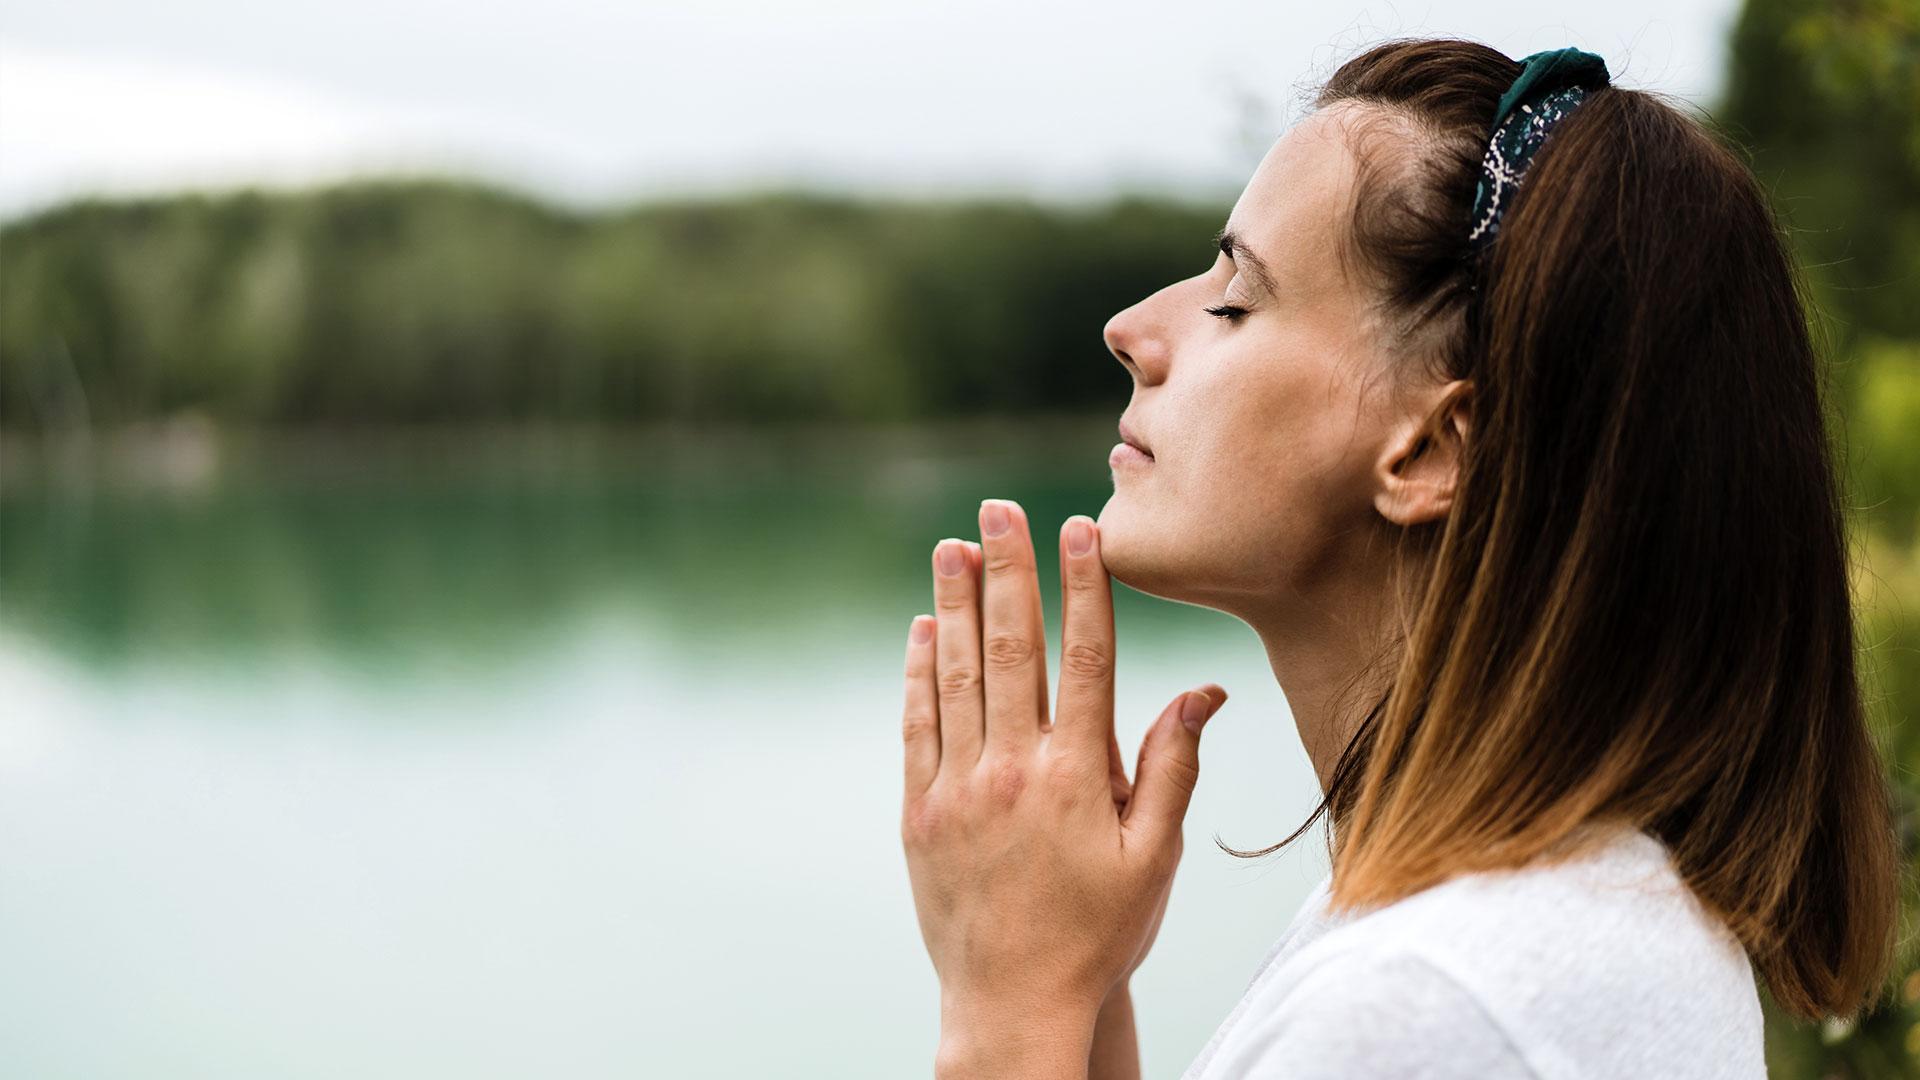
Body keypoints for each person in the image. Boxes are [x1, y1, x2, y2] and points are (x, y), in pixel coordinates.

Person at [894, 37, 1900, 1079]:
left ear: (1427, 451)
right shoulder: (1549, 919)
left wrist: (1006, 1004)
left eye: (1235, 299)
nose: (1131, 328)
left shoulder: (1427, 1001)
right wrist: (1079, 984)